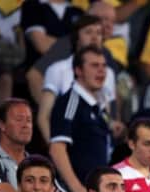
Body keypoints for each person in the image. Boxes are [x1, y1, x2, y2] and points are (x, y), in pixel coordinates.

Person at [49, 45, 112, 192]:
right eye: (94, 65)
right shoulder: (71, 102)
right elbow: (57, 148)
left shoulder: (98, 104)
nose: (101, 71)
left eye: (104, 66)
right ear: (78, 70)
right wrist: (77, 189)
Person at [37, 15, 116, 144]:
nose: (95, 37)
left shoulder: (109, 73)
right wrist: (55, 149)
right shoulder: (58, 69)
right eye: (88, 32)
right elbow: (43, 117)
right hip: (68, 144)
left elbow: (105, 114)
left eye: (99, 33)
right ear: (76, 38)